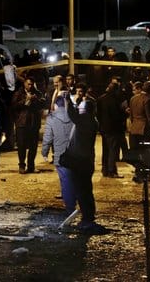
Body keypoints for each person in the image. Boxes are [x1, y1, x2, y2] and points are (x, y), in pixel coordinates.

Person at [66, 91, 107, 234]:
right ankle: (88, 217)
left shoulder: (85, 120)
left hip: (81, 162)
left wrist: (68, 100)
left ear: (85, 109)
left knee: (82, 191)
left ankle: (87, 219)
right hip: (85, 161)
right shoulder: (91, 120)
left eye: (81, 106)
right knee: (85, 191)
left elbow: (72, 114)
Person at [41, 93, 77, 214]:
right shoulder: (74, 116)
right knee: (74, 179)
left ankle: (70, 208)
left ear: (56, 105)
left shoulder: (52, 118)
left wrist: (44, 152)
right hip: (75, 153)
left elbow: (47, 137)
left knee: (65, 181)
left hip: (61, 155)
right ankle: (76, 203)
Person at [12, 76, 46, 174]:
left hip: (34, 124)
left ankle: (31, 166)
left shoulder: (38, 93)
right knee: (21, 146)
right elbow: (14, 106)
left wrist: (35, 100)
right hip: (22, 124)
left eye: (31, 84)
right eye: (28, 84)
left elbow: (43, 104)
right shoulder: (18, 94)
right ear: (24, 84)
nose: (30, 86)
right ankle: (22, 165)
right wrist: (26, 100)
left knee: (33, 146)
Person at [128, 81, 150, 182]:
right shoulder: (148, 99)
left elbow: (131, 116)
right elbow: (149, 117)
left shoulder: (133, 98)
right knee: (147, 153)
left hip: (134, 128)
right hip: (144, 129)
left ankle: (138, 173)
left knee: (137, 152)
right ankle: (145, 175)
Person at [96, 82, 126, 178]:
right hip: (113, 128)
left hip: (104, 128)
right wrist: (125, 114)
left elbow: (98, 114)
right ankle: (111, 171)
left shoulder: (101, 98)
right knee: (113, 149)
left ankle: (105, 169)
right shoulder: (115, 100)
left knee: (106, 149)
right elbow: (116, 116)